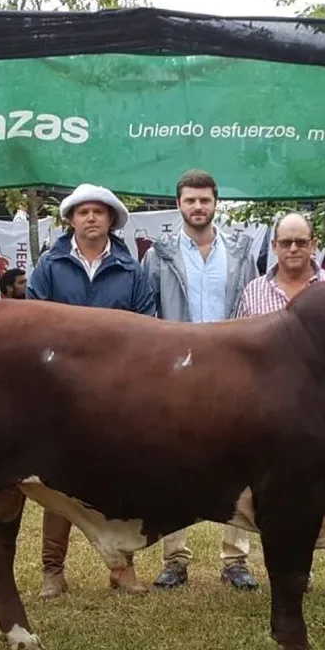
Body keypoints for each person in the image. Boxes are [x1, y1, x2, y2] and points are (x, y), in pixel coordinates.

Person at [236, 213, 325, 604]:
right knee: (288, 497)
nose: (294, 249)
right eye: (286, 243)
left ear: (315, 244)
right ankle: (296, 574)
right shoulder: (254, 292)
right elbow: (241, 353)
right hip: (276, 417)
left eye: (301, 242)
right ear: (274, 247)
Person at [28, 183, 156, 600]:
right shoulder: (49, 266)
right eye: (82, 212)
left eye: (98, 212)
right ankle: (52, 570)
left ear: (111, 220)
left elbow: (147, 329)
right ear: (70, 220)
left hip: (116, 393)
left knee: (119, 479)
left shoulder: (132, 270)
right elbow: (31, 323)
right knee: (55, 481)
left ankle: (123, 568)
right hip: (58, 391)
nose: (91, 218)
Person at [141, 169, 260, 592]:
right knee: (174, 461)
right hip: (179, 370)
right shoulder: (159, 253)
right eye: (190, 200)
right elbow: (147, 314)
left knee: (240, 459)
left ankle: (235, 560)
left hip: (232, 367)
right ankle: (174, 557)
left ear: (216, 203)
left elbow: (254, 305)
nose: (197, 207)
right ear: (179, 204)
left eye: (205, 200)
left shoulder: (242, 250)